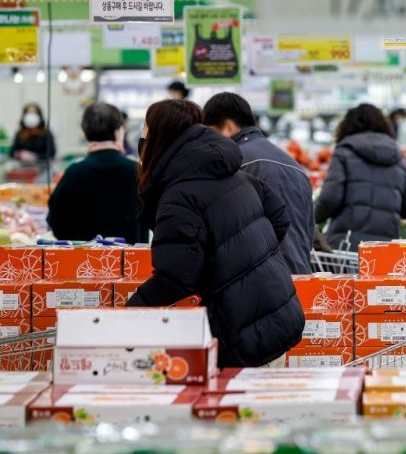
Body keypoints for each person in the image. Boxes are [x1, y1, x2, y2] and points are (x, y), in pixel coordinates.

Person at [126, 99, 304, 368]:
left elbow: (176, 278)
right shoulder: (232, 172)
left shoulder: (179, 194)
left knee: (233, 410)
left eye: (146, 131)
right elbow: (279, 216)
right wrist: (245, 260)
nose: (143, 139)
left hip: (241, 335)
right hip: (275, 314)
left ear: (160, 137)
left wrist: (125, 314)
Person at [203, 92, 314, 275]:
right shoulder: (296, 167)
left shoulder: (234, 162)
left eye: (211, 132)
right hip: (299, 275)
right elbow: (308, 230)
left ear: (228, 127)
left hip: (260, 279)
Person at [316, 103, 406, 250]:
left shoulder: (344, 152)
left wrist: (313, 218)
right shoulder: (396, 155)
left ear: (347, 126)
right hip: (384, 250)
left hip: (347, 245)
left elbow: (329, 198)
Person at [47, 103, 147, 245]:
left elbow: (56, 221)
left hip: (83, 264)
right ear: (119, 131)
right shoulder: (137, 170)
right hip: (130, 263)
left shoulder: (74, 173)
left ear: (85, 131)